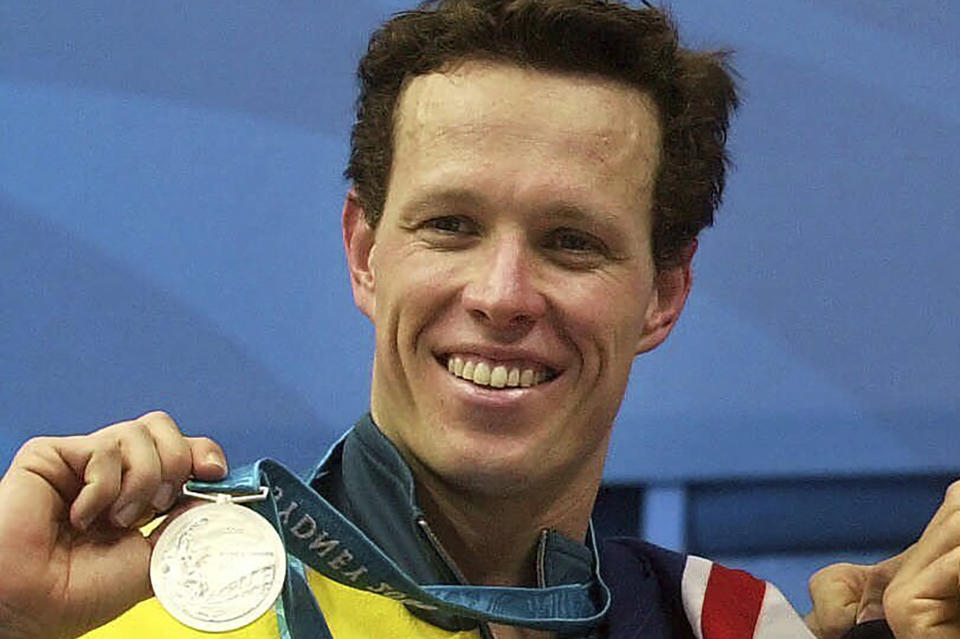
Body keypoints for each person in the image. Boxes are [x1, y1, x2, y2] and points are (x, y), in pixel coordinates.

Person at [0, 1, 955, 638]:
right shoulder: (132, 608)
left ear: (664, 291)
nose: (501, 294)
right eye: (451, 225)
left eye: (572, 240)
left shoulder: (728, 624)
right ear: (366, 252)